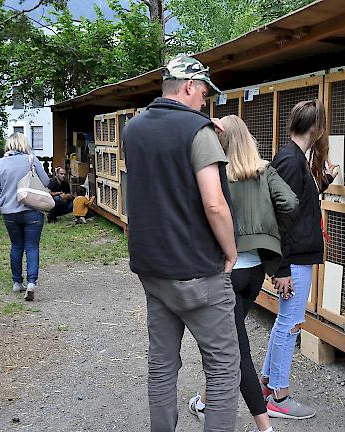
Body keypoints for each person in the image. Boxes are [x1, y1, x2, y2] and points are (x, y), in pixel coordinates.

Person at [122, 54, 240, 432]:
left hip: (153, 269)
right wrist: (231, 250)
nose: (205, 102)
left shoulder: (133, 129)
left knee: (161, 365)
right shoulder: (198, 131)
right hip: (197, 270)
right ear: (189, 86)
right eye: (204, 93)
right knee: (223, 368)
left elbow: (156, 184)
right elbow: (214, 203)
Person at [188, 115, 299, 432]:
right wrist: (270, 234)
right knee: (227, 340)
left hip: (225, 271)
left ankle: (265, 428)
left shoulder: (216, 174)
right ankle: (205, 400)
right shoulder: (265, 170)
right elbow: (291, 203)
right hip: (253, 275)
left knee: (236, 352)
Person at [261, 100, 339, 419]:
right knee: (290, 324)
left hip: (295, 258)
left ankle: (268, 383)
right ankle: (279, 396)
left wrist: (325, 182)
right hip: (292, 261)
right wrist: (281, 269)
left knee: (286, 322)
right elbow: (279, 217)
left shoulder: (293, 157)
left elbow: (299, 204)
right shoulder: (292, 161)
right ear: (316, 129)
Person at [0, 132, 50, 301]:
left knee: (16, 246)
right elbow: (45, 181)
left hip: (10, 212)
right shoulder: (31, 159)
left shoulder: (0, 163)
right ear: (24, 144)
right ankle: (31, 283)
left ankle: (17, 282)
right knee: (32, 246)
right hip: (32, 210)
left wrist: (4, 203)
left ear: (8, 144)